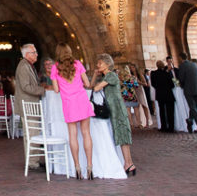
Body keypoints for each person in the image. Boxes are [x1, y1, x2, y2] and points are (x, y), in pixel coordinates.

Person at [50, 44, 94, 180]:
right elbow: (87, 83)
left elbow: (56, 90)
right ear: (69, 51)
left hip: (69, 104)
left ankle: (77, 167)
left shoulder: (55, 68)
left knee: (72, 135)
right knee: (86, 133)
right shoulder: (78, 64)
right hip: (82, 101)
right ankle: (90, 167)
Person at [91, 54, 135, 176]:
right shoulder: (105, 77)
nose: (97, 65)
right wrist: (95, 74)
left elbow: (96, 88)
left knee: (122, 134)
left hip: (117, 109)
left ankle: (128, 163)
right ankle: (128, 163)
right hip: (113, 109)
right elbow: (91, 86)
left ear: (107, 64)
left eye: (100, 63)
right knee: (120, 134)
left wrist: (97, 77)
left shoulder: (111, 75)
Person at [14, 43, 50, 170]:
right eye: (34, 52)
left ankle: (33, 160)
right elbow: (26, 86)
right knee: (32, 133)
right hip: (29, 105)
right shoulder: (24, 66)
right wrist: (42, 90)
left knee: (32, 133)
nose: (36, 54)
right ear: (27, 54)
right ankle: (32, 163)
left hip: (31, 105)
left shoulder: (29, 66)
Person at [176, 53, 197, 134]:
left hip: (188, 89)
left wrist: (181, 85)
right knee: (194, 107)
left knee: (192, 108)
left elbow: (181, 78)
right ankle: (190, 120)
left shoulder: (182, 66)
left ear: (180, 58)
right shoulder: (194, 64)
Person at [150, 60, 175, 132]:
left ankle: (163, 127)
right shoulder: (167, 73)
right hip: (168, 94)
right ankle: (171, 127)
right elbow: (172, 84)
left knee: (162, 111)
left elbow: (153, 84)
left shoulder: (154, 73)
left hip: (160, 94)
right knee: (170, 111)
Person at [128, 63, 153, 128]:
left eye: (133, 67)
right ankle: (140, 122)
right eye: (130, 67)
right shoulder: (130, 76)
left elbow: (145, 84)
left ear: (135, 68)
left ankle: (147, 121)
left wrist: (139, 82)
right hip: (134, 91)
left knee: (144, 105)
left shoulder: (140, 75)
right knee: (137, 107)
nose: (132, 69)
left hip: (140, 90)